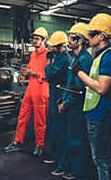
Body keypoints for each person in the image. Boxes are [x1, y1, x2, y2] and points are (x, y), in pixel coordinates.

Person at [73, 13, 111, 180]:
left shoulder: (109, 55)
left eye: (91, 34)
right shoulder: (100, 54)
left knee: (101, 160)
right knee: (101, 159)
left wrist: (79, 73)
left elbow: (102, 88)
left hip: (101, 115)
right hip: (96, 113)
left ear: (101, 36)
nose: (88, 37)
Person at [55, 22, 93, 179]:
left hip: (77, 107)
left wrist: (66, 103)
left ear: (80, 40)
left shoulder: (84, 59)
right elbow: (70, 84)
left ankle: (79, 174)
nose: (69, 41)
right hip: (71, 105)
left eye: (72, 38)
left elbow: (78, 90)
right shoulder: (74, 58)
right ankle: (73, 169)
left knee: (78, 140)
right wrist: (61, 99)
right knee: (73, 139)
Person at [3, 27, 49, 156]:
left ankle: (40, 145)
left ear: (44, 40)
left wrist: (33, 73)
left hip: (41, 89)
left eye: (37, 39)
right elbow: (29, 68)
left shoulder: (48, 55)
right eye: (33, 38)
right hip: (30, 89)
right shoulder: (33, 54)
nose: (34, 41)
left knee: (40, 120)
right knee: (22, 116)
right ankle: (17, 141)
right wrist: (24, 75)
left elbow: (50, 75)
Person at [44, 31, 71, 167]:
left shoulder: (64, 58)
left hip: (59, 95)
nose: (51, 48)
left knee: (60, 129)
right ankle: (56, 156)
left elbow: (50, 75)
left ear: (61, 46)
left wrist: (48, 63)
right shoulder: (58, 56)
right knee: (54, 127)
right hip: (54, 94)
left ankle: (63, 162)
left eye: (54, 46)